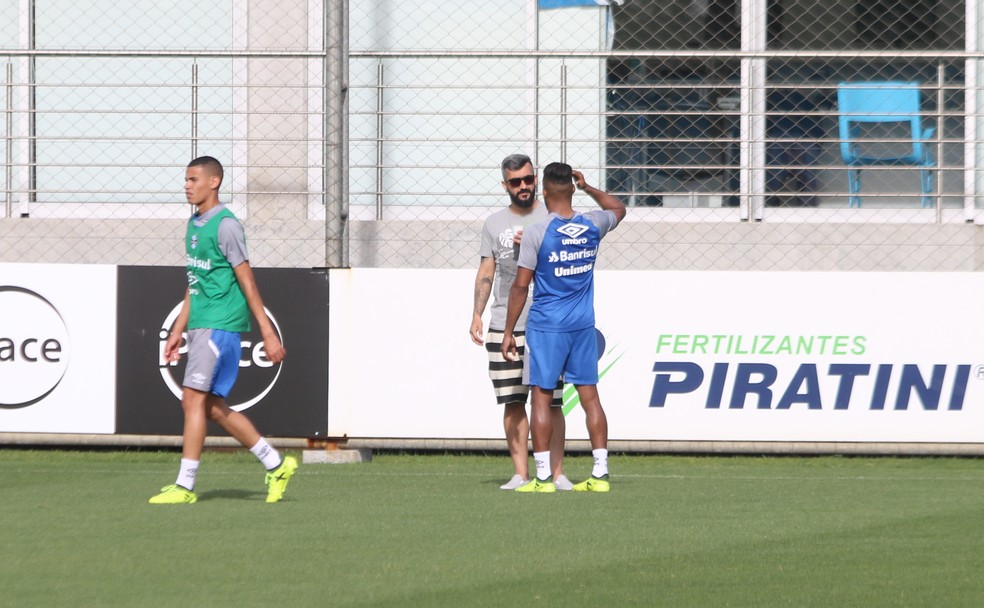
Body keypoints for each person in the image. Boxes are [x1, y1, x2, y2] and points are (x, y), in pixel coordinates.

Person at [149, 156, 297, 504]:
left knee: (192, 399)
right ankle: (276, 465)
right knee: (211, 407)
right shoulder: (195, 223)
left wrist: (267, 331)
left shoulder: (226, 225)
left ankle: (185, 487)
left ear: (214, 182)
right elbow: (195, 281)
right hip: (201, 324)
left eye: (193, 179)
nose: (187, 185)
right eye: (185, 179)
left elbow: (246, 277)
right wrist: (177, 328)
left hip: (219, 326)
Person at [502, 162, 626, 493]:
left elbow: (520, 286)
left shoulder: (537, 233)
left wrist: (508, 332)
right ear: (571, 188)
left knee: (541, 398)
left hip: (546, 327)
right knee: (590, 398)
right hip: (582, 324)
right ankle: (600, 475)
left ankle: (543, 478)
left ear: (543, 192)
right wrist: (588, 188)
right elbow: (618, 208)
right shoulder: (593, 223)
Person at [470, 154, 571, 491]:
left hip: (548, 323)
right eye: (516, 182)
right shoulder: (494, 223)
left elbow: (568, 262)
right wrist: (476, 315)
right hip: (504, 323)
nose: (524, 186)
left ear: (536, 179)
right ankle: (520, 474)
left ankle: (557, 474)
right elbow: (487, 270)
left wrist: (536, 244)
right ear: (505, 185)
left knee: (552, 400)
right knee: (512, 399)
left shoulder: (554, 215)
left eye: (528, 180)